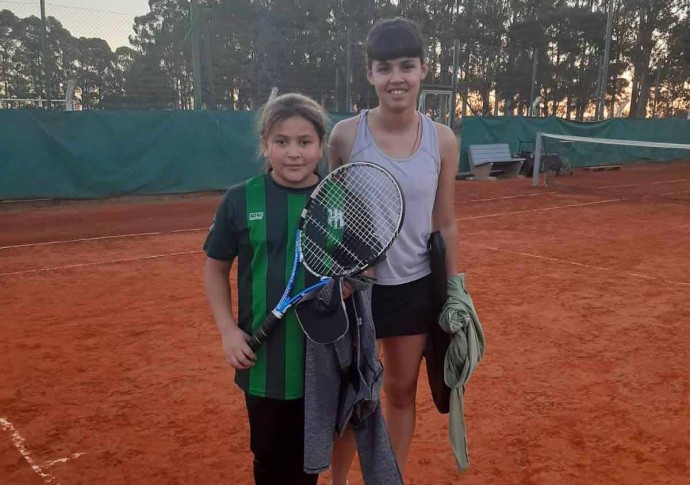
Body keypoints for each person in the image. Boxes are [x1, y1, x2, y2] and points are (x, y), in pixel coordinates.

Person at [327, 17, 459, 483]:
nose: (396, 78)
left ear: (423, 70)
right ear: (370, 74)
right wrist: (337, 275)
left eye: (407, 65)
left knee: (401, 393)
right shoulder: (344, 136)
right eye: (385, 68)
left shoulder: (442, 140)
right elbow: (333, 213)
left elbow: (443, 221)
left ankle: (388, 478)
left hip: (414, 288)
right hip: (356, 292)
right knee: (352, 394)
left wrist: (454, 293)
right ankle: (339, 481)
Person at [203, 92, 329, 485]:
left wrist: (349, 287)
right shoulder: (240, 199)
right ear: (265, 145)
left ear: (321, 146)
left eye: (305, 142)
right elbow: (214, 269)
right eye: (281, 141)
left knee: (307, 461)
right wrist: (227, 331)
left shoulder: (337, 197)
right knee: (269, 459)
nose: (294, 153)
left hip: (321, 362)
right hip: (262, 363)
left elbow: (360, 268)